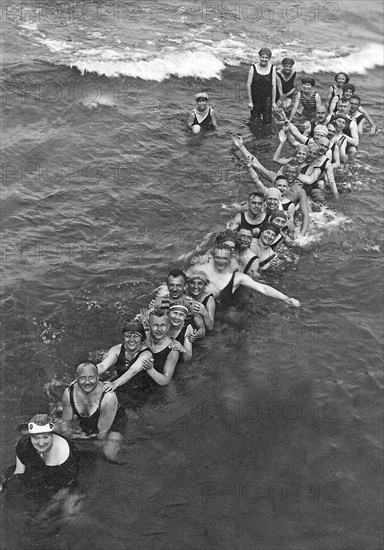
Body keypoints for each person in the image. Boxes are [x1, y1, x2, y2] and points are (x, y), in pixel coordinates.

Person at [193, 244, 300, 307]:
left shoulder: (238, 278)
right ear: (212, 257)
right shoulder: (201, 268)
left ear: (230, 259)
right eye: (218, 258)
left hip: (222, 308)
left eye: (225, 258)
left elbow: (263, 288)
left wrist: (285, 298)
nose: (221, 261)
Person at [1, 414, 79, 498]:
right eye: (36, 438)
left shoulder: (65, 453)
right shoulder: (24, 445)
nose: (41, 443)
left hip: (60, 482)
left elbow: (68, 485)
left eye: (45, 437)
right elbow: (19, 473)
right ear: (30, 437)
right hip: (36, 476)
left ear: (52, 435)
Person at [60, 362, 125, 461]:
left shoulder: (108, 397)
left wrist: (85, 441)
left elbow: (102, 434)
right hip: (87, 421)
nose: (87, 382)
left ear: (98, 377)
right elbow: (66, 424)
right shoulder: (69, 393)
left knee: (109, 456)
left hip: (112, 424)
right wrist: (69, 441)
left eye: (91, 377)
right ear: (76, 378)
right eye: (82, 378)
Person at [97, 322, 153, 405]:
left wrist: (114, 384)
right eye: (127, 336)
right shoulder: (117, 349)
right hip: (121, 386)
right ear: (123, 337)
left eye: (136, 336)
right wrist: (85, 373)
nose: (131, 340)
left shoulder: (146, 354)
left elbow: (132, 371)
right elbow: (102, 365)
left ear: (142, 339)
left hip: (142, 390)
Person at [154, 269, 205, 339]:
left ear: (185, 286)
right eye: (171, 285)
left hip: (183, 337)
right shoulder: (160, 301)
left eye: (178, 285)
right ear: (167, 285)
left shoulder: (191, 304)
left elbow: (202, 330)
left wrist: (194, 336)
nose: (174, 289)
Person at [141, 309, 180, 385]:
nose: (159, 329)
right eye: (155, 325)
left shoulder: (173, 349)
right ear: (149, 325)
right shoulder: (142, 338)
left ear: (168, 327)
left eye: (163, 325)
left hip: (158, 385)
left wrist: (150, 369)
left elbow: (166, 380)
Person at [247, 47, 276, 123]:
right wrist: (250, 101)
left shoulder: (272, 68)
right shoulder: (253, 68)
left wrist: (273, 102)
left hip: (267, 99)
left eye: (266, 58)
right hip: (255, 99)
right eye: (262, 57)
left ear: (269, 58)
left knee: (267, 121)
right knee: (255, 121)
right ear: (259, 57)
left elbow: (273, 86)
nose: (264, 59)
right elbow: (248, 85)